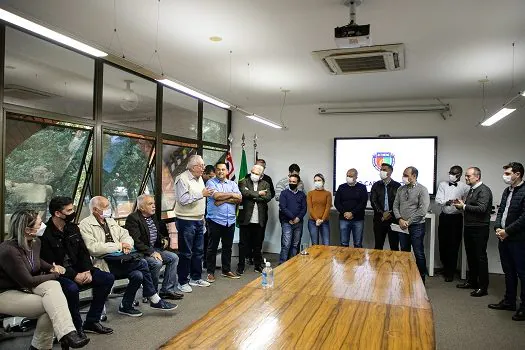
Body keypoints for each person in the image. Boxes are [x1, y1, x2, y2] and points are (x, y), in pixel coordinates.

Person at [0, 210, 89, 350]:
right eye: (39, 223)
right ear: (27, 230)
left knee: (52, 292)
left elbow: (36, 261)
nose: (43, 225)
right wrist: (56, 274)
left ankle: (67, 333)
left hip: (23, 287)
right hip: (5, 293)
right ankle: (47, 344)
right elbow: (27, 281)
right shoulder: (8, 250)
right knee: (52, 307)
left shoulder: (35, 242)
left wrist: (52, 268)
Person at [79, 196, 177, 316]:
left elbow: (126, 235)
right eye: (105, 207)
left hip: (120, 260)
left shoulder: (110, 221)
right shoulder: (85, 225)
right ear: (95, 209)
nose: (109, 209)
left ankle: (126, 306)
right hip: (103, 263)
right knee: (142, 264)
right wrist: (119, 245)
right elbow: (93, 248)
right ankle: (153, 297)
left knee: (138, 274)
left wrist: (127, 245)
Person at [41, 196, 114, 337]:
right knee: (72, 289)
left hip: (80, 269)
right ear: (57, 213)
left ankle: (92, 321)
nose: (73, 212)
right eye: (69, 210)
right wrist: (74, 275)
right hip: (59, 274)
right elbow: (51, 264)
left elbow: (83, 252)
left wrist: (87, 269)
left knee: (107, 278)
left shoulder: (73, 228)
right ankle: (76, 326)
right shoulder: (45, 234)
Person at [125, 194, 184, 302]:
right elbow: (136, 241)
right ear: (141, 207)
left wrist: (163, 239)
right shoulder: (133, 218)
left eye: (154, 204)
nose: (154, 206)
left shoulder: (152, 216)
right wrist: (151, 252)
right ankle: (152, 293)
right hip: (140, 252)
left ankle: (166, 290)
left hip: (154, 249)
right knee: (156, 263)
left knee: (174, 257)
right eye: (150, 204)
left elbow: (156, 233)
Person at [489, 162, 525, 320]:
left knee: (522, 273)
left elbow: (524, 217)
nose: (505, 176)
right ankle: (509, 301)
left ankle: (524, 307)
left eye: (508, 173)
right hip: (503, 237)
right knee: (508, 271)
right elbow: (501, 210)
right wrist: (498, 227)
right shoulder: (507, 190)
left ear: (518, 174)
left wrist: (507, 231)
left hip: (518, 239)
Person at [174, 155, 214, 292]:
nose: (203, 168)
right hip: (185, 221)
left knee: (198, 252)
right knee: (186, 253)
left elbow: (200, 200)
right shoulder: (182, 179)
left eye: (203, 165)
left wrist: (202, 217)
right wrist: (201, 194)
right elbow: (182, 200)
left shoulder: (199, 179)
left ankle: (196, 278)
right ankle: (182, 281)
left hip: (198, 220)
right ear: (192, 167)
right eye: (201, 165)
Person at [453, 167, 493, 297]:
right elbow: (472, 206)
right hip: (470, 226)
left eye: (468, 176)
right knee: (471, 255)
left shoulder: (484, 190)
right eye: (466, 176)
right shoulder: (472, 189)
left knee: (480, 257)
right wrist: (463, 204)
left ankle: (483, 287)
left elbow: (481, 208)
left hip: (479, 228)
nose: (466, 178)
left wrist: (463, 206)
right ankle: (472, 282)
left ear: (477, 177)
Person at [205, 162, 242, 282]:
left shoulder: (232, 183)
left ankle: (226, 270)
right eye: (218, 170)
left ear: (227, 171)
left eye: (223, 169)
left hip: (229, 220)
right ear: (215, 171)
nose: (221, 172)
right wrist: (232, 195)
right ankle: (210, 272)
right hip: (215, 220)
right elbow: (216, 197)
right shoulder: (211, 182)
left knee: (227, 247)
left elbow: (240, 198)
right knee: (212, 247)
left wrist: (222, 200)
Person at [393, 166, 430, 283]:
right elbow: (395, 206)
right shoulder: (400, 189)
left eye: (406, 175)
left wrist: (408, 222)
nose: (403, 177)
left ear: (414, 176)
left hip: (416, 226)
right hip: (402, 225)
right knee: (404, 251)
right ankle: (405, 276)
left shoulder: (422, 190)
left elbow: (422, 211)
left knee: (418, 252)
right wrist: (399, 219)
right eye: (403, 175)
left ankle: (421, 279)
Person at [435, 166, 470, 282]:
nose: (451, 175)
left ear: (459, 175)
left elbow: (467, 202)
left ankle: (450, 272)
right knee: (442, 244)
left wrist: (460, 204)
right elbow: (437, 200)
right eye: (450, 172)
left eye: (454, 173)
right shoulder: (443, 185)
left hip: (457, 219)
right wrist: (447, 202)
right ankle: (445, 268)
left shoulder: (465, 187)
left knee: (454, 246)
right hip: (444, 217)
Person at [238, 164, 272, 274]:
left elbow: (267, 197)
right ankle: (241, 266)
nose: (253, 175)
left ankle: (258, 265)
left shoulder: (265, 183)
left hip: (259, 219)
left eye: (257, 174)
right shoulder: (244, 181)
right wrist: (259, 194)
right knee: (243, 244)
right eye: (252, 172)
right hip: (246, 219)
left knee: (257, 244)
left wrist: (252, 195)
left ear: (261, 176)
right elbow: (244, 193)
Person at [245, 159, 275, 266]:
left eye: (262, 167)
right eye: (257, 166)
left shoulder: (267, 179)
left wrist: (254, 196)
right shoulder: (247, 177)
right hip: (248, 212)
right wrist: (258, 194)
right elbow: (244, 193)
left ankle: (257, 256)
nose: (258, 170)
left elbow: (269, 195)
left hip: (261, 212)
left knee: (259, 236)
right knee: (248, 236)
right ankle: (248, 256)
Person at [370, 163, 401, 251]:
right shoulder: (376, 185)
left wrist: (390, 213)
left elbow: (398, 202)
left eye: (384, 170)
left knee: (394, 246)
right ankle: (377, 264)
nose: (381, 172)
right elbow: (373, 201)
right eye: (381, 170)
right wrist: (382, 213)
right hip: (380, 219)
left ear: (390, 172)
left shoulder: (397, 186)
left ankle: (394, 264)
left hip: (393, 219)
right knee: (378, 246)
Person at [334, 168, 368, 248]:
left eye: (351, 176)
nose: (348, 177)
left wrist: (352, 213)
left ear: (356, 177)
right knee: (343, 243)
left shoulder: (362, 187)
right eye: (347, 175)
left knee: (358, 243)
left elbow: (363, 203)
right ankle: (344, 260)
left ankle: (358, 260)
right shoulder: (341, 187)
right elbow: (337, 203)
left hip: (358, 219)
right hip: (344, 218)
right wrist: (345, 213)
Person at [278, 174, 307, 264]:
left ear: (298, 183)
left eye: (294, 182)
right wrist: (292, 218)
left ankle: (292, 264)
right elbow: (283, 207)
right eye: (290, 181)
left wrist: (298, 218)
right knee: (286, 244)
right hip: (287, 222)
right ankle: (282, 264)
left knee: (295, 244)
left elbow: (304, 208)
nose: (291, 183)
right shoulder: (284, 193)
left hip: (298, 223)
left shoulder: (302, 195)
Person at [306, 173, 332, 245]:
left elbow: (327, 208)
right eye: (315, 180)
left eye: (319, 180)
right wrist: (317, 219)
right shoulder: (310, 193)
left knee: (326, 244)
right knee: (315, 245)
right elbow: (310, 208)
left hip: (324, 221)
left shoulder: (328, 193)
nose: (317, 182)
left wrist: (322, 220)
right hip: (312, 221)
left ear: (323, 181)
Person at [202, 165, 215, 270]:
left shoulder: (211, 184)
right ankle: (204, 262)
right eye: (210, 176)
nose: (211, 179)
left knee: (209, 240)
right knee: (204, 241)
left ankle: (208, 263)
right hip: (201, 215)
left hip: (209, 214)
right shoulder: (200, 183)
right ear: (204, 173)